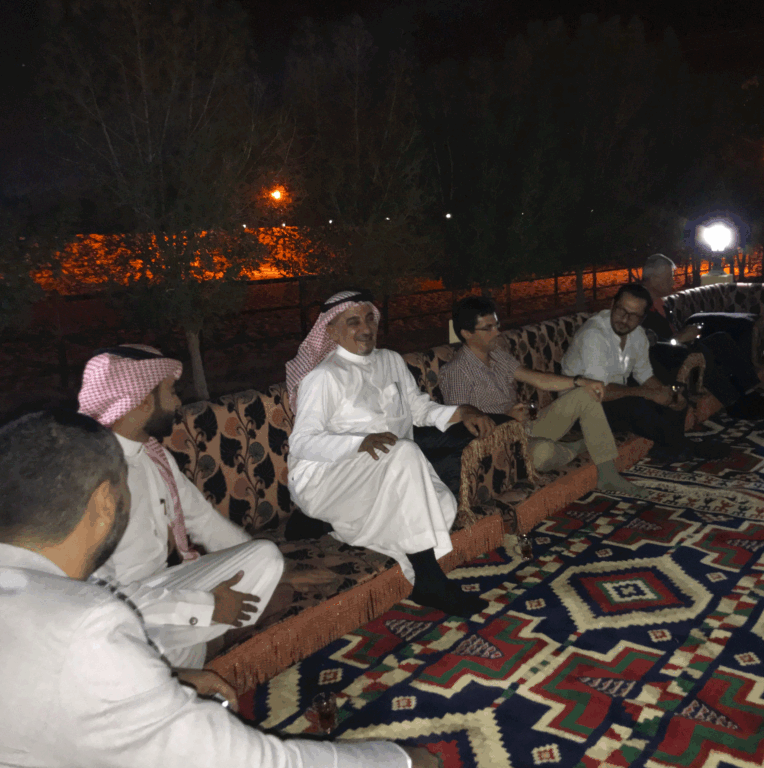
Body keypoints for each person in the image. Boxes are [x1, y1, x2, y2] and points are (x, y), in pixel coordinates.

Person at [0, 409, 434, 768]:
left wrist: (169, 677)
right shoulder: (88, 628)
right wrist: (404, 760)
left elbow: (205, 524)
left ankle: (164, 671)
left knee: (262, 565)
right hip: (142, 618)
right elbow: (251, 761)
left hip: (149, 616)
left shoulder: (69, 597)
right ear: (103, 504)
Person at [286, 289, 495, 618]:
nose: (365, 328)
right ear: (331, 331)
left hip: (389, 472)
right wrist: (358, 441)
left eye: (369, 318)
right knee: (404, 455)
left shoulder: (391, 361)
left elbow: (417, 408)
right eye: (353, 322)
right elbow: (301, 442)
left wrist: (462, 413)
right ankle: (428, 580)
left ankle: (332, 525)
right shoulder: (323, 377)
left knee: (443, 504)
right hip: (327, 477)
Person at [78, 344, 288, 668]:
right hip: (120, 606)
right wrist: (207, 608)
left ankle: (192, 648)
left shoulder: (152, 456)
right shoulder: (92, 475)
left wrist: (280, 575)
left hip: (163, 587)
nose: (178, 402)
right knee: (140, 645)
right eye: (171, 391)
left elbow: (203, 521)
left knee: (266, 559)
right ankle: (185, 652)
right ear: (144, 399)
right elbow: (98, 592)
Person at [440, 296, 646, 496]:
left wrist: (579, 381)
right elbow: (462, 431)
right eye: (488, 328)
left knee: (584, 394)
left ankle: (608, 475)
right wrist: (506, 421)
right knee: (543, 453)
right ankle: (573, 448)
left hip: (527, 427)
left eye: (496, 325)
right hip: (501, 446)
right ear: (466, 333)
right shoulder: (456, 372)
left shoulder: (497, 356)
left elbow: (537, 379)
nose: (497, 332)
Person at [561, 284, 728, 459]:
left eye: (633, 315)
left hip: (610, 392)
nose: (624, 320)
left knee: (672, 389)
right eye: (621, 311)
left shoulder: (637, 335)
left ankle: (670, 446)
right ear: (612, 305)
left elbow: (645, 375)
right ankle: (680, 447)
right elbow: (597, 390)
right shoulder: (594, 335)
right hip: (578, 408)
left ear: (642, 318)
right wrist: (647, 393)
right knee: (636, 403)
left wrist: (669, 395)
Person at [640, 253, 764, 419]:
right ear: (653, 278)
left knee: (720, 340)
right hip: (662, 359)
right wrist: (678, 339)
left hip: (677, 349)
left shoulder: (660, 303)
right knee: (702, 350)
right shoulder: (639, 307)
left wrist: (687, 334)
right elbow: (647, 345)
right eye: (669, 278)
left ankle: (750, 391)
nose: (673, 282)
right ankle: (734, 403)